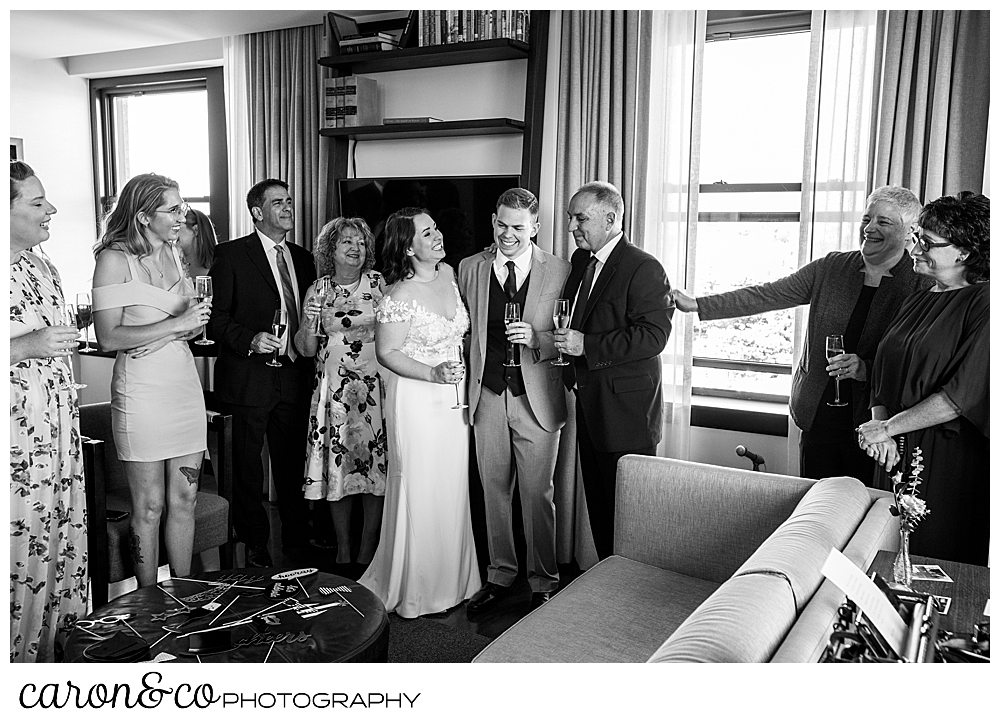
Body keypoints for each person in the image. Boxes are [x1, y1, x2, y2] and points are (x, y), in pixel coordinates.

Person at [671, 186, 931, 485]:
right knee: (813, 504)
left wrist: (866, 369)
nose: (869, 228)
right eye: (866, 218)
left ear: (911, 231)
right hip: (818, 415)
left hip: (877, 426)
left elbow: (916, 363)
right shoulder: (832, 267)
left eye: (883, 222)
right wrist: (699, 304)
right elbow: (768, 295)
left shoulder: (920, 284)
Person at [358, 207, 481, 617]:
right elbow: (386, 352)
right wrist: (433, 372)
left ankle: (455, 580)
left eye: (436, 227)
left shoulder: (449, 275)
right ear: (409, 247)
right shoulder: (398, 296)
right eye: (427, 233)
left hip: (454, 399)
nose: (438, 236)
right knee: (421, 486)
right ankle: (418, 587)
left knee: (450, 485)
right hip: (417, 399)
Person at [91, 173, 211, 587]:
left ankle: (184, 592)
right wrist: (177, 325)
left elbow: (186, 328)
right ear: (143, 216)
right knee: (150, 507)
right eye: (173, 210)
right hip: (142, 392)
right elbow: (109, 337)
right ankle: (150, 605)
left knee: (186, 498)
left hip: (182, 386)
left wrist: (188, 327)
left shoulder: (175, 252)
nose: (183, 216)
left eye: (182, 207)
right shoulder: (114, 259)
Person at [858, 192, 989, 566]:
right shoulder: (918, 298)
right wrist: (880, 428)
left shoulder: (985, 303)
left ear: (963, 252)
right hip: (890, 452)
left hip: (947, 461)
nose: (913, 248)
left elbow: (960, 394)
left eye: (926, 242)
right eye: (916, 236)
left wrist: (887, 429)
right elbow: (882, 373)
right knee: (883, 559)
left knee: (932, 563)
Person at [457, 188, 570, 612]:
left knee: (538, 493)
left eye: (518, 228)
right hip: (486, 395)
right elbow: (461, 330)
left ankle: (544, 579)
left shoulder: (560, 270)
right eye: (502, 225)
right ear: (492, 221)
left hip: (536, 398)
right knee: (493, 490)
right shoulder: (470, 268)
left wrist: (537, 339)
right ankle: (500, 574)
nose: (508, 234)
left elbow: (570, 338)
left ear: (535, 227)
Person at [553, 181, 673, 561]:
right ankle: (606, 588)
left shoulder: (644, 267)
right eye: (571, 218)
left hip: (628, 414)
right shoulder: (579, 263)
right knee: (601, 512)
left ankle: (633, 596)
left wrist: (586, 346)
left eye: (580, 218)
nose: (572, 226)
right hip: (590, 404)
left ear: (610, 218)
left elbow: (653, 336)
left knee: (630, 519)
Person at [207, 179, 317, 567]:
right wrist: (250, 339)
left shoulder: (304, 259)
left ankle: (298, 544)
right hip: (247, 378)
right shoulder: (231, 255)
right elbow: (215, 320)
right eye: (278, 202)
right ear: (257, 211)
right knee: (247, 471)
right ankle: (254, 546)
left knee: (292, 467)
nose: (288, 207)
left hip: (292, 376)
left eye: (290, 200)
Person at [10, 160, 89, 662]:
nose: (52, 209)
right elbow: (32, 343)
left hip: (57, 425)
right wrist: (24, 345)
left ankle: (56, 658)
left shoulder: (44, 266)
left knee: (59, 531)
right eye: (36, 203)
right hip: (15, 435)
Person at [294, 218, 386, 577]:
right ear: (330, 250)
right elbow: (304, 350)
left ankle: (367, 549)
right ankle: (344, 549)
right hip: (332, 393)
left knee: (373, 466)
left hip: (373, 390)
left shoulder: (379, 285)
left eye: (361, 243)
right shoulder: (318, 290)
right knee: (339, 466)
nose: (355, 248)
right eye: (346, 242)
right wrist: (307, 322)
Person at [176, 207, 218, 279]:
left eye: (177, 226)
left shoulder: (220, 268)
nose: (173, 232)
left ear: (196, 230)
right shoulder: (171, 266)